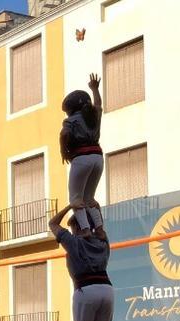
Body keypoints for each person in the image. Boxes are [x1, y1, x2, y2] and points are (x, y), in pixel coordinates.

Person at [48, 203, 113, 321]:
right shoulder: (102, 241)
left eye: (72, 227)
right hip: (107, 289)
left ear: (76, 226)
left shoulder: (74, 241)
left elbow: (52, 224)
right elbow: (99, 225)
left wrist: (71, 205)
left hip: (86, 289)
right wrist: (93, 210)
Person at [60, 74, 104, 234]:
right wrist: (94, 89)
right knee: (89, 199)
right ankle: (99, 228)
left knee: (75, 199)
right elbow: (98, 103)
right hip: (98, 157)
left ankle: (85, 229)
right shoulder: (94, 115)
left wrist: (64, 152)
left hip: (81, 157)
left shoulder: (71, 120)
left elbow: (64, 134)